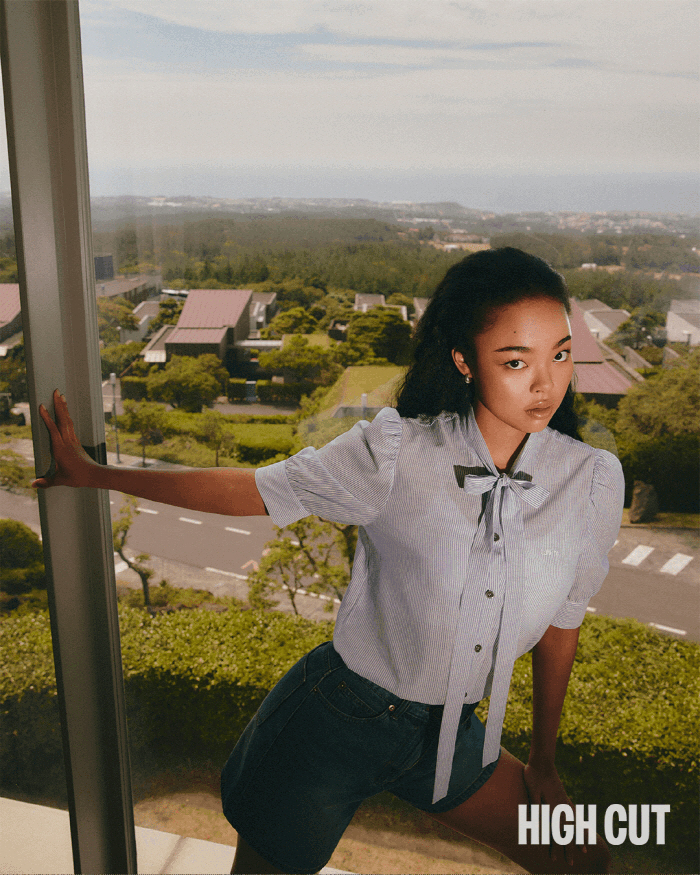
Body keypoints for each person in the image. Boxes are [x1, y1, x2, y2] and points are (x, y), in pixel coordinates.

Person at [34, 247, 624, 874]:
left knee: (578, 856)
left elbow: (564, 620)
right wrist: (97, 475)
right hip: (334, 720)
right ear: (464, 361)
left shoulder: (590, 480)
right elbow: (250, 489)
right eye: (516, 361)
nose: (546, 383)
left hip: (451, 734)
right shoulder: (395, 452)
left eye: (560, 353)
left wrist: (544, 761)